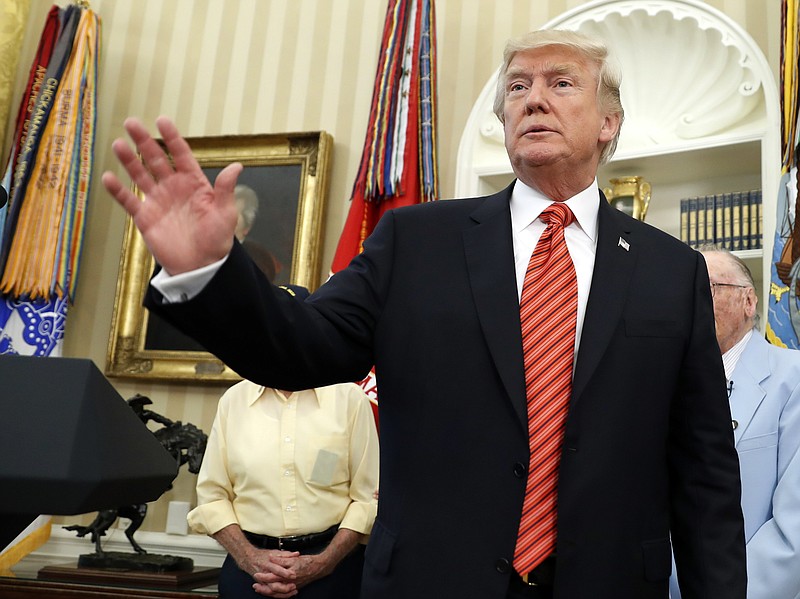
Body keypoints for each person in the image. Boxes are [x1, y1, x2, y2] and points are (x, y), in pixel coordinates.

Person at [102, 29, 746, 599]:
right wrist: (209, 272)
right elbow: (294, 351)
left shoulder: (672, 271)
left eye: (561, 83)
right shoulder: (415, 243)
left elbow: (705, 473)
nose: (533, 98)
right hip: (433, 578)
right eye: (517, 86)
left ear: (609, 122)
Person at [189, 350, 379, 599]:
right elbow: (212, 498)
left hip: (332, 572)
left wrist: (324, 562)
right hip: (248, 573)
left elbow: (367, 498)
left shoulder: (349, 398)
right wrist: (249, 558)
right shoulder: (233, 400)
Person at [669, 247, 800, 599]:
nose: (689, 303)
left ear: (749, 302)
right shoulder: (662, 384)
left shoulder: (794, 377)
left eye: (706, 288)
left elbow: (795, 530)